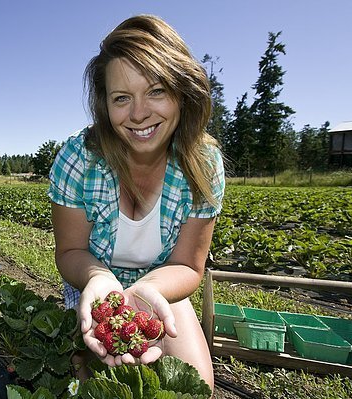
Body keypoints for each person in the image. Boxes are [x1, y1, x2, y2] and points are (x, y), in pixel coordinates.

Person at [47, 14, 224, 390]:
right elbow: (71, 251)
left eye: (156, 90)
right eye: (122, 98)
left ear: (182, 90)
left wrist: (148, 291)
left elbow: (188, 267)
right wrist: (98, 279)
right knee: (90, 385)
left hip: (161, 287)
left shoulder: (203, 164)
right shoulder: (78, 158)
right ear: (104, 105)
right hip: (92, 285)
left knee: (197, 388)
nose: (139, 113)